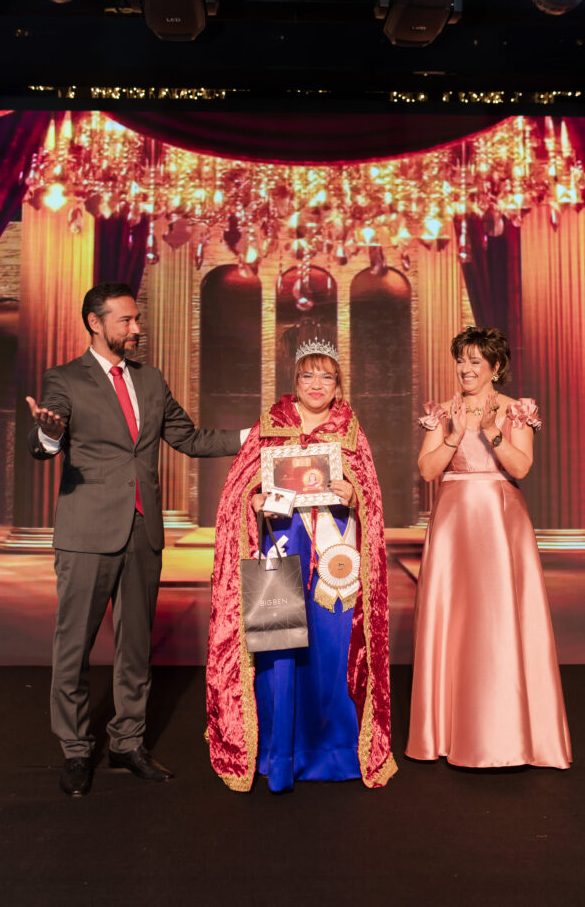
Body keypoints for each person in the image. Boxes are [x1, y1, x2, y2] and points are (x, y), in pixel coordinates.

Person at [27, 282, 243, 797]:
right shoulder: (64, 378)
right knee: (73, 645)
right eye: (125, 320)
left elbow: (188, 438)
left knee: (136, 646)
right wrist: (50, 433)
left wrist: (253, 437)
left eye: (136, 318)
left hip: (143, 533)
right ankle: (76, 749)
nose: (136, 328)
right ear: (94, 322)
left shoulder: (150, 379)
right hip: (87, 533)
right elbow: (44, 443)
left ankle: (127, 742)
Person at [206, 339, 397, 792]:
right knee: (279, 651)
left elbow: (369, 494)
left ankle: (332, 751)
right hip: (283, 546)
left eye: (326, 376)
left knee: (333, 651)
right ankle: (280, 753)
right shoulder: (270, 425)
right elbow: (237, 490)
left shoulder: (350, 430)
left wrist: (353, 493)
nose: (316, 384)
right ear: (295, 380)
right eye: (308, 375)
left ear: (338, 384)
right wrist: (253, 500)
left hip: (335, 558)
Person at [406, 326, 572, 769]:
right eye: (461, 360)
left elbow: (523, 467)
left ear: (495, 367)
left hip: (500, 522)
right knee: (454, 618)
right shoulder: (443, 411)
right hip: (453, 522)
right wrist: (455, 434)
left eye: (475, 361)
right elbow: (427, 470)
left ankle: (507, 732)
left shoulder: (517, 410)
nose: (465, 368)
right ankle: (445, 732)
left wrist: (491, 431)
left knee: (498, 618)